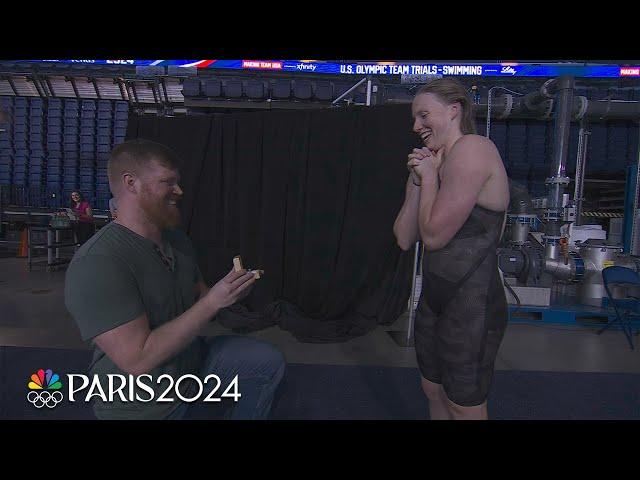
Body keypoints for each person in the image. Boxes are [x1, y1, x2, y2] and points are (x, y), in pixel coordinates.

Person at [64, 139, 285, 420]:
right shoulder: (98, 262)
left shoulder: (177, 240)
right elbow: (137, 360)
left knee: (266, 362)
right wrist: (212, 303)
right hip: (139, 403)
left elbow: (201, 299)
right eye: (168, 182)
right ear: (131, 184)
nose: (179, 191)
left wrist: (228, 292)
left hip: (189, 364)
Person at [393, 78, 510, 420]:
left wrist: (429, 178)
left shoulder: (474, 148)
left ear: (454, 110)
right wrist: (417, 181)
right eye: (414, 119)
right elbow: (404, 237)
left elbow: (433, 237)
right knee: (432, 390)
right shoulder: (432, 161)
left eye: (424, 115)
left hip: (473, 304)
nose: (417, 126)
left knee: (463, 404)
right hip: (434, 300)